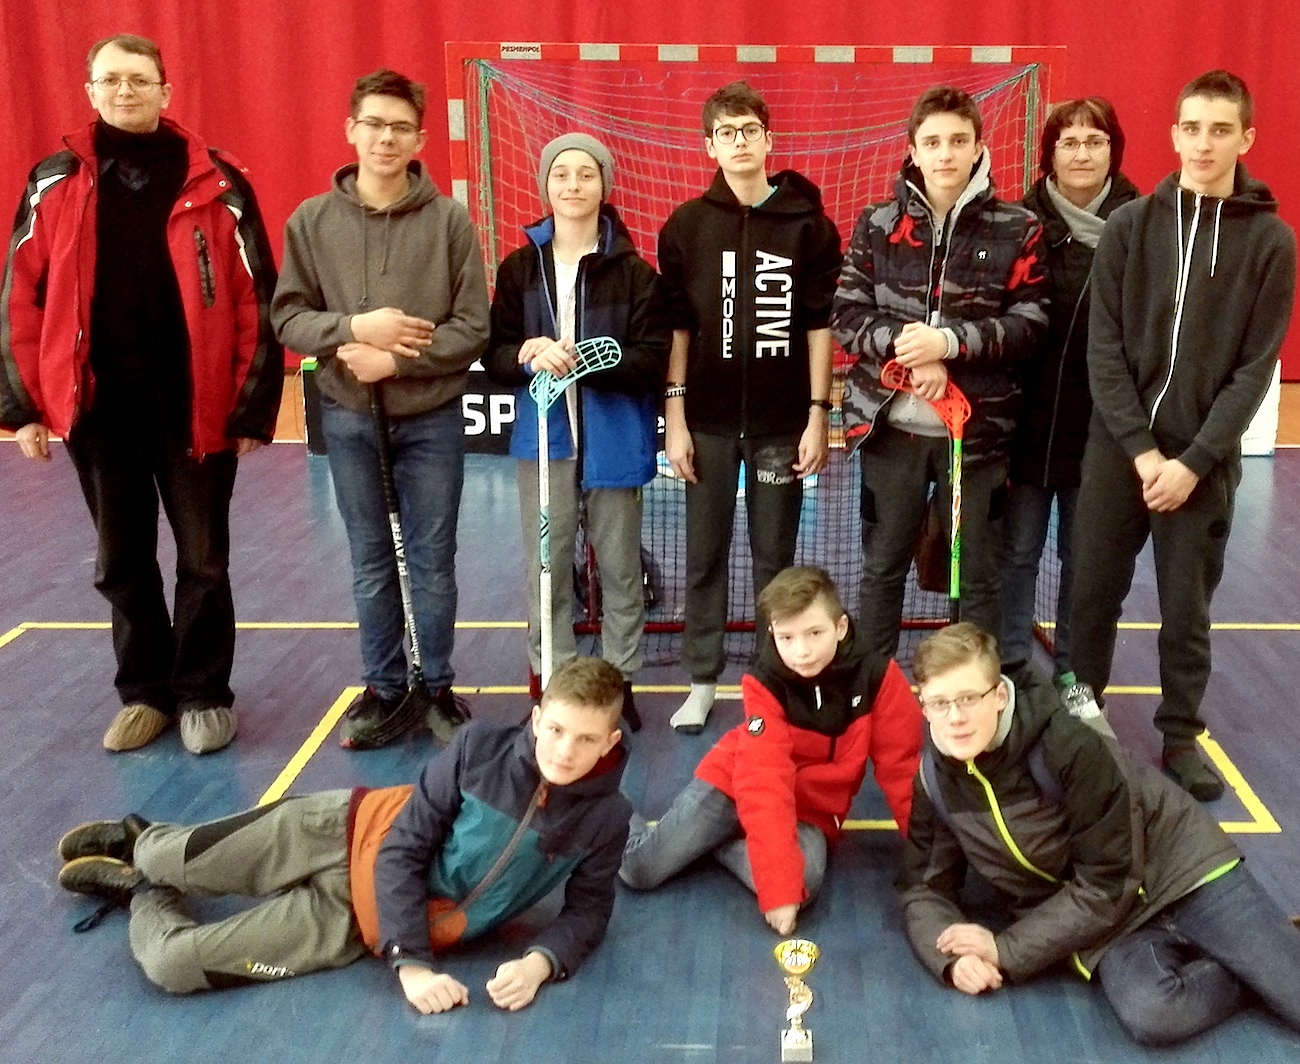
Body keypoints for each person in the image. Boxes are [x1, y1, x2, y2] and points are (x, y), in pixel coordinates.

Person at [55, 656, 632, 1011]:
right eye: (556, 729)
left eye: (586, 739)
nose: (564, 750)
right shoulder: (478, 747)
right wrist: (412, 964)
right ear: (537, 718)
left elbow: (588, 912)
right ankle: (140, 843)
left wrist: (539, 963)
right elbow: (404, 847)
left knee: (171, 965)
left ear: (609, 742)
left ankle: (141, 893)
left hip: (352, 919)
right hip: (341, 830)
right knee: (167, 855)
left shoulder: (607, 819)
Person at [0, 34, 283, 755]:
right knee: (120, 563)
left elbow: (256, 298)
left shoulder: (220, 182)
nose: (125, 91)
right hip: (98, 415)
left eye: (139, 79)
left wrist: (253, 403)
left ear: (165, 91)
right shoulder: (53, 182)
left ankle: (203, 693)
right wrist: (22, 405)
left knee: (204, 562)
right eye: (110, 80)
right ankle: (145, 693)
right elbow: (19, 295)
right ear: (90, 91)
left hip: (195, 411)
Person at [899, 622, 1300, 1047]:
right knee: (1155, 1013)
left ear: (999, 696)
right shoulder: (935, 780)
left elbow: (1109, 879)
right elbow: (924, 888)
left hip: (1181, 874)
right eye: (939, 703)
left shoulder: (1068, 744)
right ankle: (1259, 960)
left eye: (968, 698)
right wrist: (952, 959)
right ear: (924, 707)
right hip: (1107, 924)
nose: (955, 717)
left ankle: (1267, 956)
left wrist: (1006, 950)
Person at [1069, 70, 1297, 801]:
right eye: (1192, 128)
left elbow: (1255, 369)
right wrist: (1141, 452)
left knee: (1186, 612)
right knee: (1089, 598)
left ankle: (1180, 735)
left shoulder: (1272, 242)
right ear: (1173, 135)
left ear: (1246, 138)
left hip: (1203, 465)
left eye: (1220, 129)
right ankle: (1078, 720)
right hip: (1119, 454)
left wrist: (1193, 462)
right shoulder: (1131, 226)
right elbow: (1103, 350)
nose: (1204, 143)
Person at [271, 69, 490, 747]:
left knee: (432, 560)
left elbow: (472, 328)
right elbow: (288, 318)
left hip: (432, 419)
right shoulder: (311, 221)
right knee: (370, 560)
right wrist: (353, 329)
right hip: (347, 417)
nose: (386, 138)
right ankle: (385, 688)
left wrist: (397, 361)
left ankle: (436, 688)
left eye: (400, 127)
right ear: (351, 130)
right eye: (374, 124)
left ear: (420, 139)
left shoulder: (450, 221)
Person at [832, 86, 1048, 662]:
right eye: (932, 142)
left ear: (979, 147)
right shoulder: (877, 223)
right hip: (891, 433)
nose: (945, 153)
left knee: (975, 577)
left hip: (977, 439)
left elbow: (1029, 325)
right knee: (882, 568)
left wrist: (948, 346)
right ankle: (874, 687)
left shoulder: (1018, 227)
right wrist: (911, 353)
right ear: (913, 149)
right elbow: (847, 316)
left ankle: (967, 687)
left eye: (958, 140)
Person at [658, 81, 842, 733]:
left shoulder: (808, 225)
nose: (739, 142)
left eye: (749, 130)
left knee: (776, 563)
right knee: (704, 555)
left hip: (780, 425)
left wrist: (819, 413)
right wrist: (675, 418)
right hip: (705, 425)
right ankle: (702, 680)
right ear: (709, 146)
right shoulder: (685, 226)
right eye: (726, 132)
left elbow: (819, 326)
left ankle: (773, 681)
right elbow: (678, 329)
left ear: (769, 139)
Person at [619, 566, 922, 933]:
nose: (802, 651)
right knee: (639, 869)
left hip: (810, 813)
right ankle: (613, 808)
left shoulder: (880, 679)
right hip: (734, 786)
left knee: (802, 886)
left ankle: (714, 842)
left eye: (815, 633)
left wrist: (928, 860)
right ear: (773, 634)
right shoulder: (764, 683)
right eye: (786, 637)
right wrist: (777, 892)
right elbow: (764, 780)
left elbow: (903, 773)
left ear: (841, 627)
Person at [485, 133, 669, 730]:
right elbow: (494, 353)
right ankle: (555, 685)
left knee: (621, 572)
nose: (572, 185)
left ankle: (618, 682)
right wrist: (528, 354)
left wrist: (590, 359)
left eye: (586, 174)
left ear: (604, 186)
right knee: (547, 571)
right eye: (561, 174)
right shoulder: (519, 268)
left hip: (614, 444)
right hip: (544, 445)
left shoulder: (635, 273)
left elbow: (651, 358)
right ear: (545, 185)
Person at [1000, 99, 1139, 679]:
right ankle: (1009, 670)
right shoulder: (1015, 223)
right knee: (1015, 554)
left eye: (1095, 141)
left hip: (1104, 434)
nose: (1082, 153)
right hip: (1021, 429)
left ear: (1113, 150)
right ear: (1050, 154)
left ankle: (1076, 678)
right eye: (1069, 142)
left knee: (1086, 562)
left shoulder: (1143, 226)